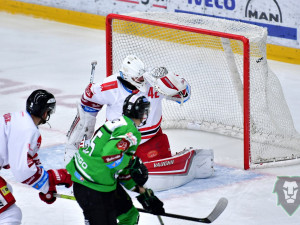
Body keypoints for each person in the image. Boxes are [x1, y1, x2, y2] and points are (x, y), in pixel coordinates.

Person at [66, 94, 165, 225]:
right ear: (143, 113)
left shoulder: (118, 123)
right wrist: (131, 162)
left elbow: (118, 167)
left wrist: (142, 192)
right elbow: (109, 157)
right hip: (92, 187)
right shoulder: (130, 131)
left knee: (129, 216)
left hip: (96, 180)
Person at [0, 89, 73, 224]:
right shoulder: (28, 130)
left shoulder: (19, 118)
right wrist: (49, 182)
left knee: (6, 191)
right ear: (45, 113)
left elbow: (29, 157)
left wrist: (47, 184)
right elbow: (23, 170)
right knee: (10, 214)